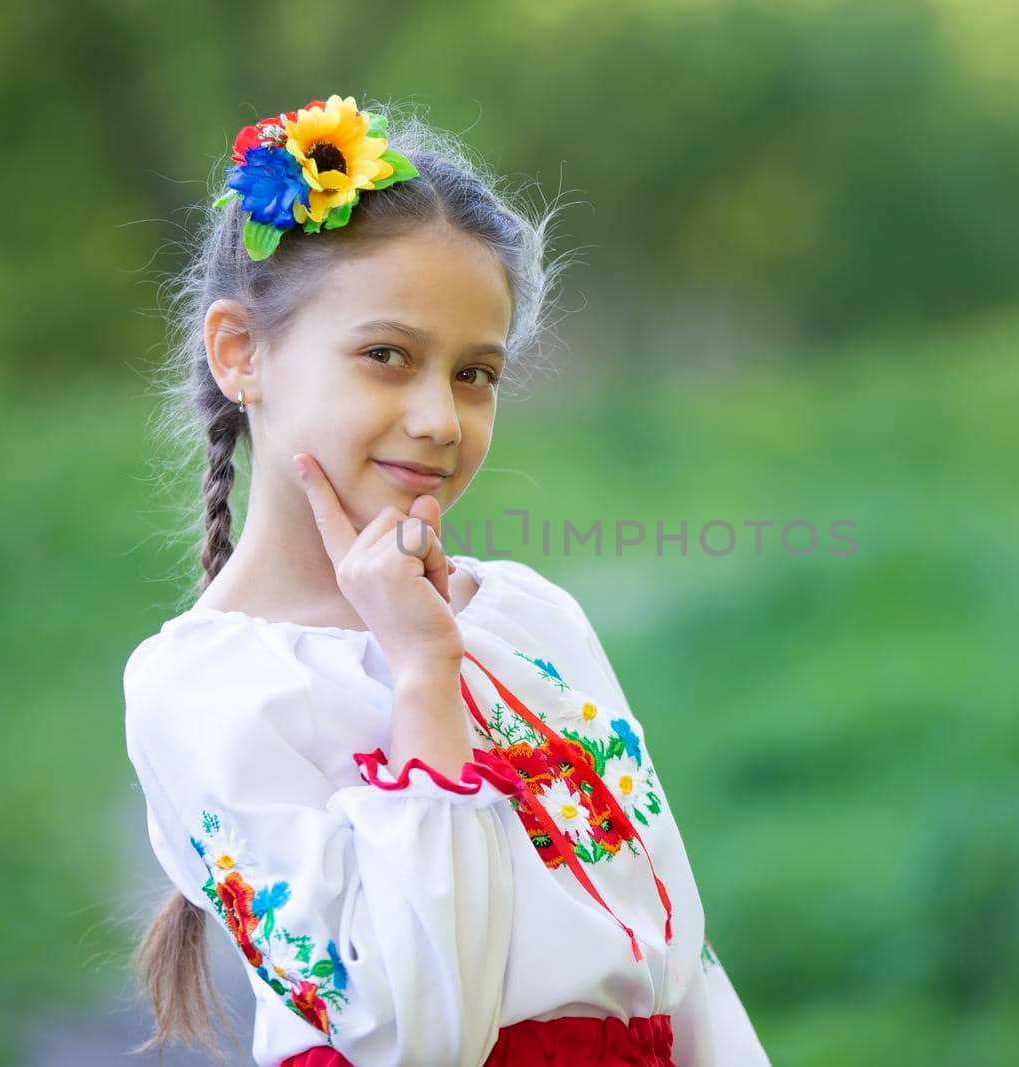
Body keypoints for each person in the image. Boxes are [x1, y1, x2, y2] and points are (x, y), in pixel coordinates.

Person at [123, 94, 772, 1067]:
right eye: (386, 356)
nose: (439, 417)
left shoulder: (529, 618)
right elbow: (411, 1031)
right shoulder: (207, 687)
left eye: (476, 373)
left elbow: (678, 966)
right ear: (240, 352)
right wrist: (423, 671)